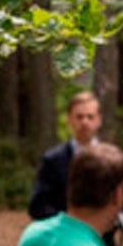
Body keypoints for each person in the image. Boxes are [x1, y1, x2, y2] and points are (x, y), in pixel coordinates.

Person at [28, 91, 105, 221]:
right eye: (79, 117)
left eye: (90, 117)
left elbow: (121, 206)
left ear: (99, 120)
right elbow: (38, 206)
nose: (84, 122)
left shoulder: (111, 159)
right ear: (70, 119)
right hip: (63, 230)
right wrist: (69, 221)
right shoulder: (53, 160)